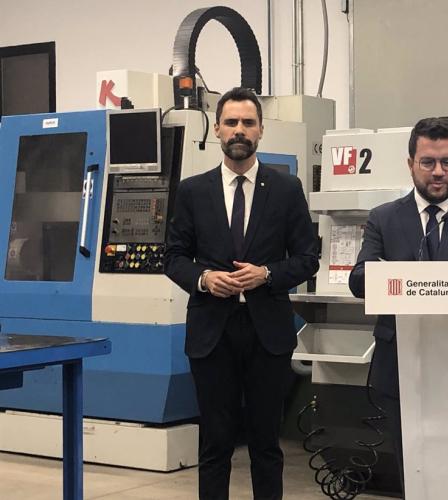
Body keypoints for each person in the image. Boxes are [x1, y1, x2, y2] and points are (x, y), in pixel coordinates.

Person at [164, 87, 318, 500]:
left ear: (261, 130)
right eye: (231, 122)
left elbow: (308, 259)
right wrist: (204, 279)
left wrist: (267, 274)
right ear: (217, 129)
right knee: (215, 443)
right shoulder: (193, 192)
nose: (239, 130)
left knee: (266, 444)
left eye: (248, 123)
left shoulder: (286, 189)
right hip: (211, 333)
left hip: (268, 333)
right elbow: (173, 258)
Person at [348, 116, 448, 497]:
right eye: (428, 162)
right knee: (413, 466)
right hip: (401, 362)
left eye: (447, 162)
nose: (438, 172)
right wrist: (401, 277)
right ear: (410, 164)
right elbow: (359, 279)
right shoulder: (384, 218)